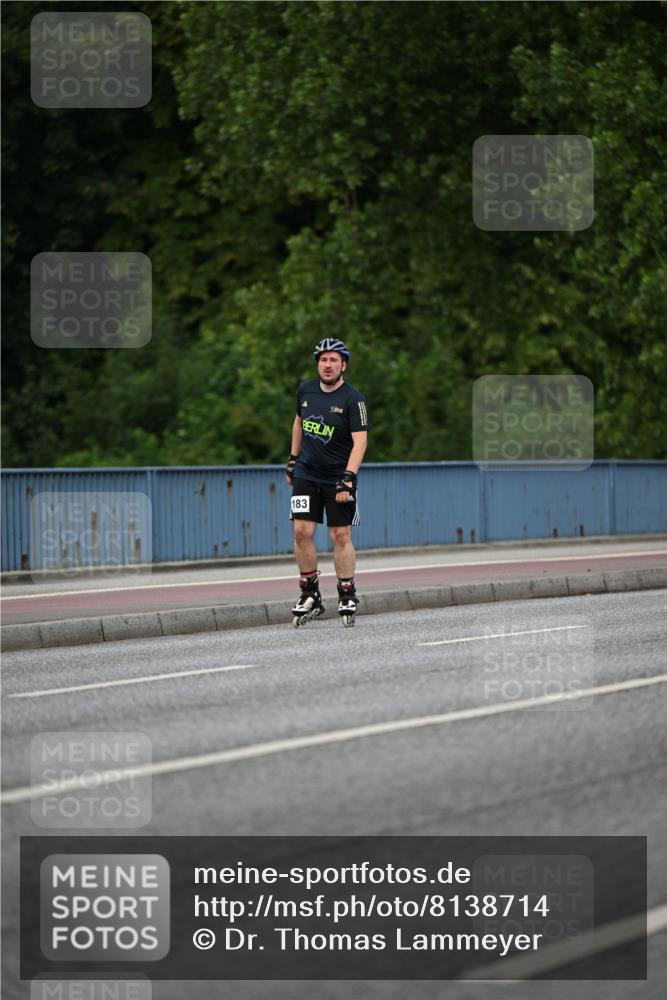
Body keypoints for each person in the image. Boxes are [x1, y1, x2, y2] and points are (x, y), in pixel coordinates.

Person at [285, 338, 371, 626]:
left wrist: (349, 478)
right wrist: (293, 459)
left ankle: (346, 592)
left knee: (340, 535)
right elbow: (298, 423)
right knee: (301, 532)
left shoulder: (353, 399)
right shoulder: (305, 391)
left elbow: (360, 442)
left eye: (334, 360)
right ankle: (310, 593)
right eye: (323, 360)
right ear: (317, 364)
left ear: (343, 365)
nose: (328, 365)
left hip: (338, 478)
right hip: (306, 474)